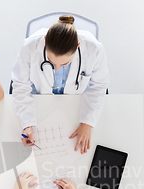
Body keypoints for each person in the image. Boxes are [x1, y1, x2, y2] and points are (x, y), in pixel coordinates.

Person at [12, 15, 109, 154]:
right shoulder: (30, 46)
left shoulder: (94, 48)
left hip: (76, 106)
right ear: (45, 41)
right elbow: (20, 85)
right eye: (51, 62)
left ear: (78, 46)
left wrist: (87, 122)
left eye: (64, 64)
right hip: (40, 103)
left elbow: (99, 86)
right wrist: (27, 124)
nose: (57, 68)